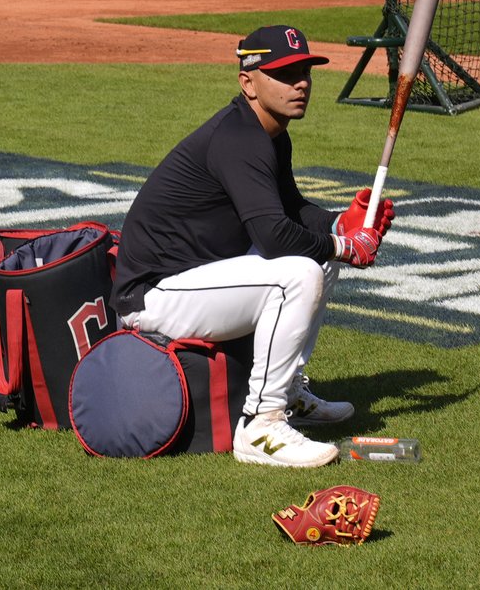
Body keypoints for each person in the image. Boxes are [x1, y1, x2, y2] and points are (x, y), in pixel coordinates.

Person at [111, 26, 395, 469]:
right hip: (152, 297)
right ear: (248, 82)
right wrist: (344, 245)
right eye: (284, 73)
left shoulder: (268, 133)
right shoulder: (238, 138)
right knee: (299, 272)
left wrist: (342, 221)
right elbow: (273, 237)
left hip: (195, 278)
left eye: (304, 71)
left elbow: (290, 209)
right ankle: (260, 425)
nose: (300, 82)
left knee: (317, 262)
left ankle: (288, 392)